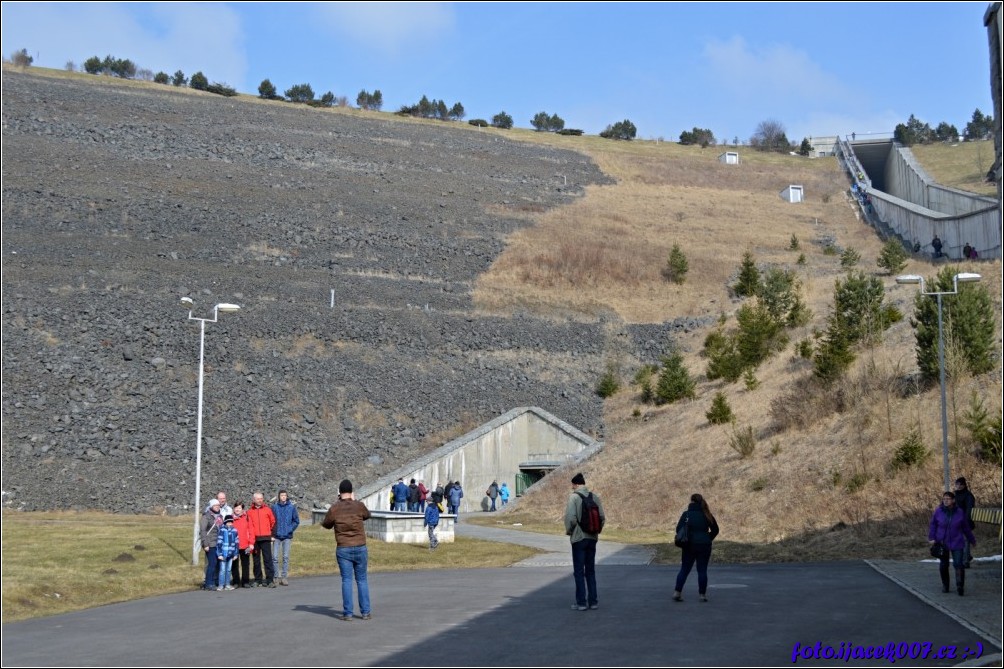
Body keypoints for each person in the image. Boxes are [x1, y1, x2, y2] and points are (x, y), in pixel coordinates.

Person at [321, 479, 372, 621]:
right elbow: (367, 515)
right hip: (360, 546)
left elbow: (326, 524)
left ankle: (348, 613)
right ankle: (365, 612)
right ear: (351, 492)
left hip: (343, 547)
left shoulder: (335, 508)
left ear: (339, 492)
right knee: (362, 580)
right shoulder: (359, 506)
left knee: (347, 580)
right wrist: (355, 501)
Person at [564, 472, 605, 611]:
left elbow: (571, 518)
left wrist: (570, 531)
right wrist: (596, 531)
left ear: (575, 484)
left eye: (572, 485)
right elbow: (602, 517)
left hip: (578, 538)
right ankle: (593, 602)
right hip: (592, 538)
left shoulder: (574, 497)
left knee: (579, 571)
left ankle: (581, 603)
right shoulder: (594, 497)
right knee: (591, 571)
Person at [673, 493, 720, 603]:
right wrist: (707, 538)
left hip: (689, 545)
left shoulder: (686, 514)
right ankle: (702, 595)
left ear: (691, 501)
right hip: (704, 545)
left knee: (684, 569)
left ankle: (677, 592)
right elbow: (716, 530)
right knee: (702, 570)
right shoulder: (707, 514)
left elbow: (679, 529)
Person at [928, 491, 976, 596]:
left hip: (957, 541)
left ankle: (960, 586)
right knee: (944, 565)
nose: (945, 500)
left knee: (958, 564)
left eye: (948, 499)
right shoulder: (938, 511)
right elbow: (933, 525)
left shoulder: (959, 512)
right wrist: (932, 537)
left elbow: (965, 528)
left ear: (953, 500)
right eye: (944, 499)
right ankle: (945, 585)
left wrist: (972, 539)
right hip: (942, 542)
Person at [246, 492, 277, 587]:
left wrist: (272, 535)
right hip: (255, 539)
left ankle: (270, 580)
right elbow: (248, 526)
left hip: (266, 538)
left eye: (261, 498)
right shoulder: (250, 512)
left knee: (268, 560)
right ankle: (258, 579)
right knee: (256, 561)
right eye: (258, 499)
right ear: (254, 500)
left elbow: (274, 522)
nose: (260, 500)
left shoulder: (267, 509)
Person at [271, 490, 300, 586]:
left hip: (287, 536)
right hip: (277, 536)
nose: (283, 497)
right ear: (279, 497)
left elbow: (296, 521)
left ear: (287, 496)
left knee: (285, 557)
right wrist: (272, 533)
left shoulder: (291, 507)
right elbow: (271, 521)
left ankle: (284, 577)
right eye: (281, 495)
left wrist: (290, 529)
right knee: (275, 557)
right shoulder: (274, 507)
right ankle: (276, 576)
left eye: (285, 495)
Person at [952, 478, 977, 568]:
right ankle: (967, 557)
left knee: (965, 542)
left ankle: (965, 562)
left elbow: (969, 509)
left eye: (960, 484)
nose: (958, 486)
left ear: (964, 485)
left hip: (965, 522)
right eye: (957, 484)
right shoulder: (955, 495)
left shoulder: (968, 495)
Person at [200, 498, 223, 590]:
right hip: (210, 544)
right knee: (212, 564)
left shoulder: (220, 516)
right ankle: (209, 583)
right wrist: (205, 544)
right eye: (215, 505)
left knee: (218, 564)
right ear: (211, 506)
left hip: (218, 543)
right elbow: (203, 531)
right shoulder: (206, 516)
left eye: (218, 505)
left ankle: (215, 581)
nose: (217, 507)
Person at [231, 502, 254, 588]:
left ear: (242, 509)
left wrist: (251, 543)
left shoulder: (247, 517)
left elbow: (251, 531)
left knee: (245, 564)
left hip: (245, 545)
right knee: (234, 564)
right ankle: (236, 582)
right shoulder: (231, 518)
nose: (237, 509)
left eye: (239, 508)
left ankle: (245, 581)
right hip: (234, 545)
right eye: (236, 507)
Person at [216, 515, 239, 591]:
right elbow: (219, 542)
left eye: (231, 522)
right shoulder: (222, 530)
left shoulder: (235, 530)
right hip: (223, 553)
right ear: (225, 522)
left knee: (228, 570)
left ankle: (227, 584)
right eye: (228, 522)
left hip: (231, 554)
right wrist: (219, 554)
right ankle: (221, 585)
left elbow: (236, 543)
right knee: (222, 570)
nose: (229, 524)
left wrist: (235, 554)